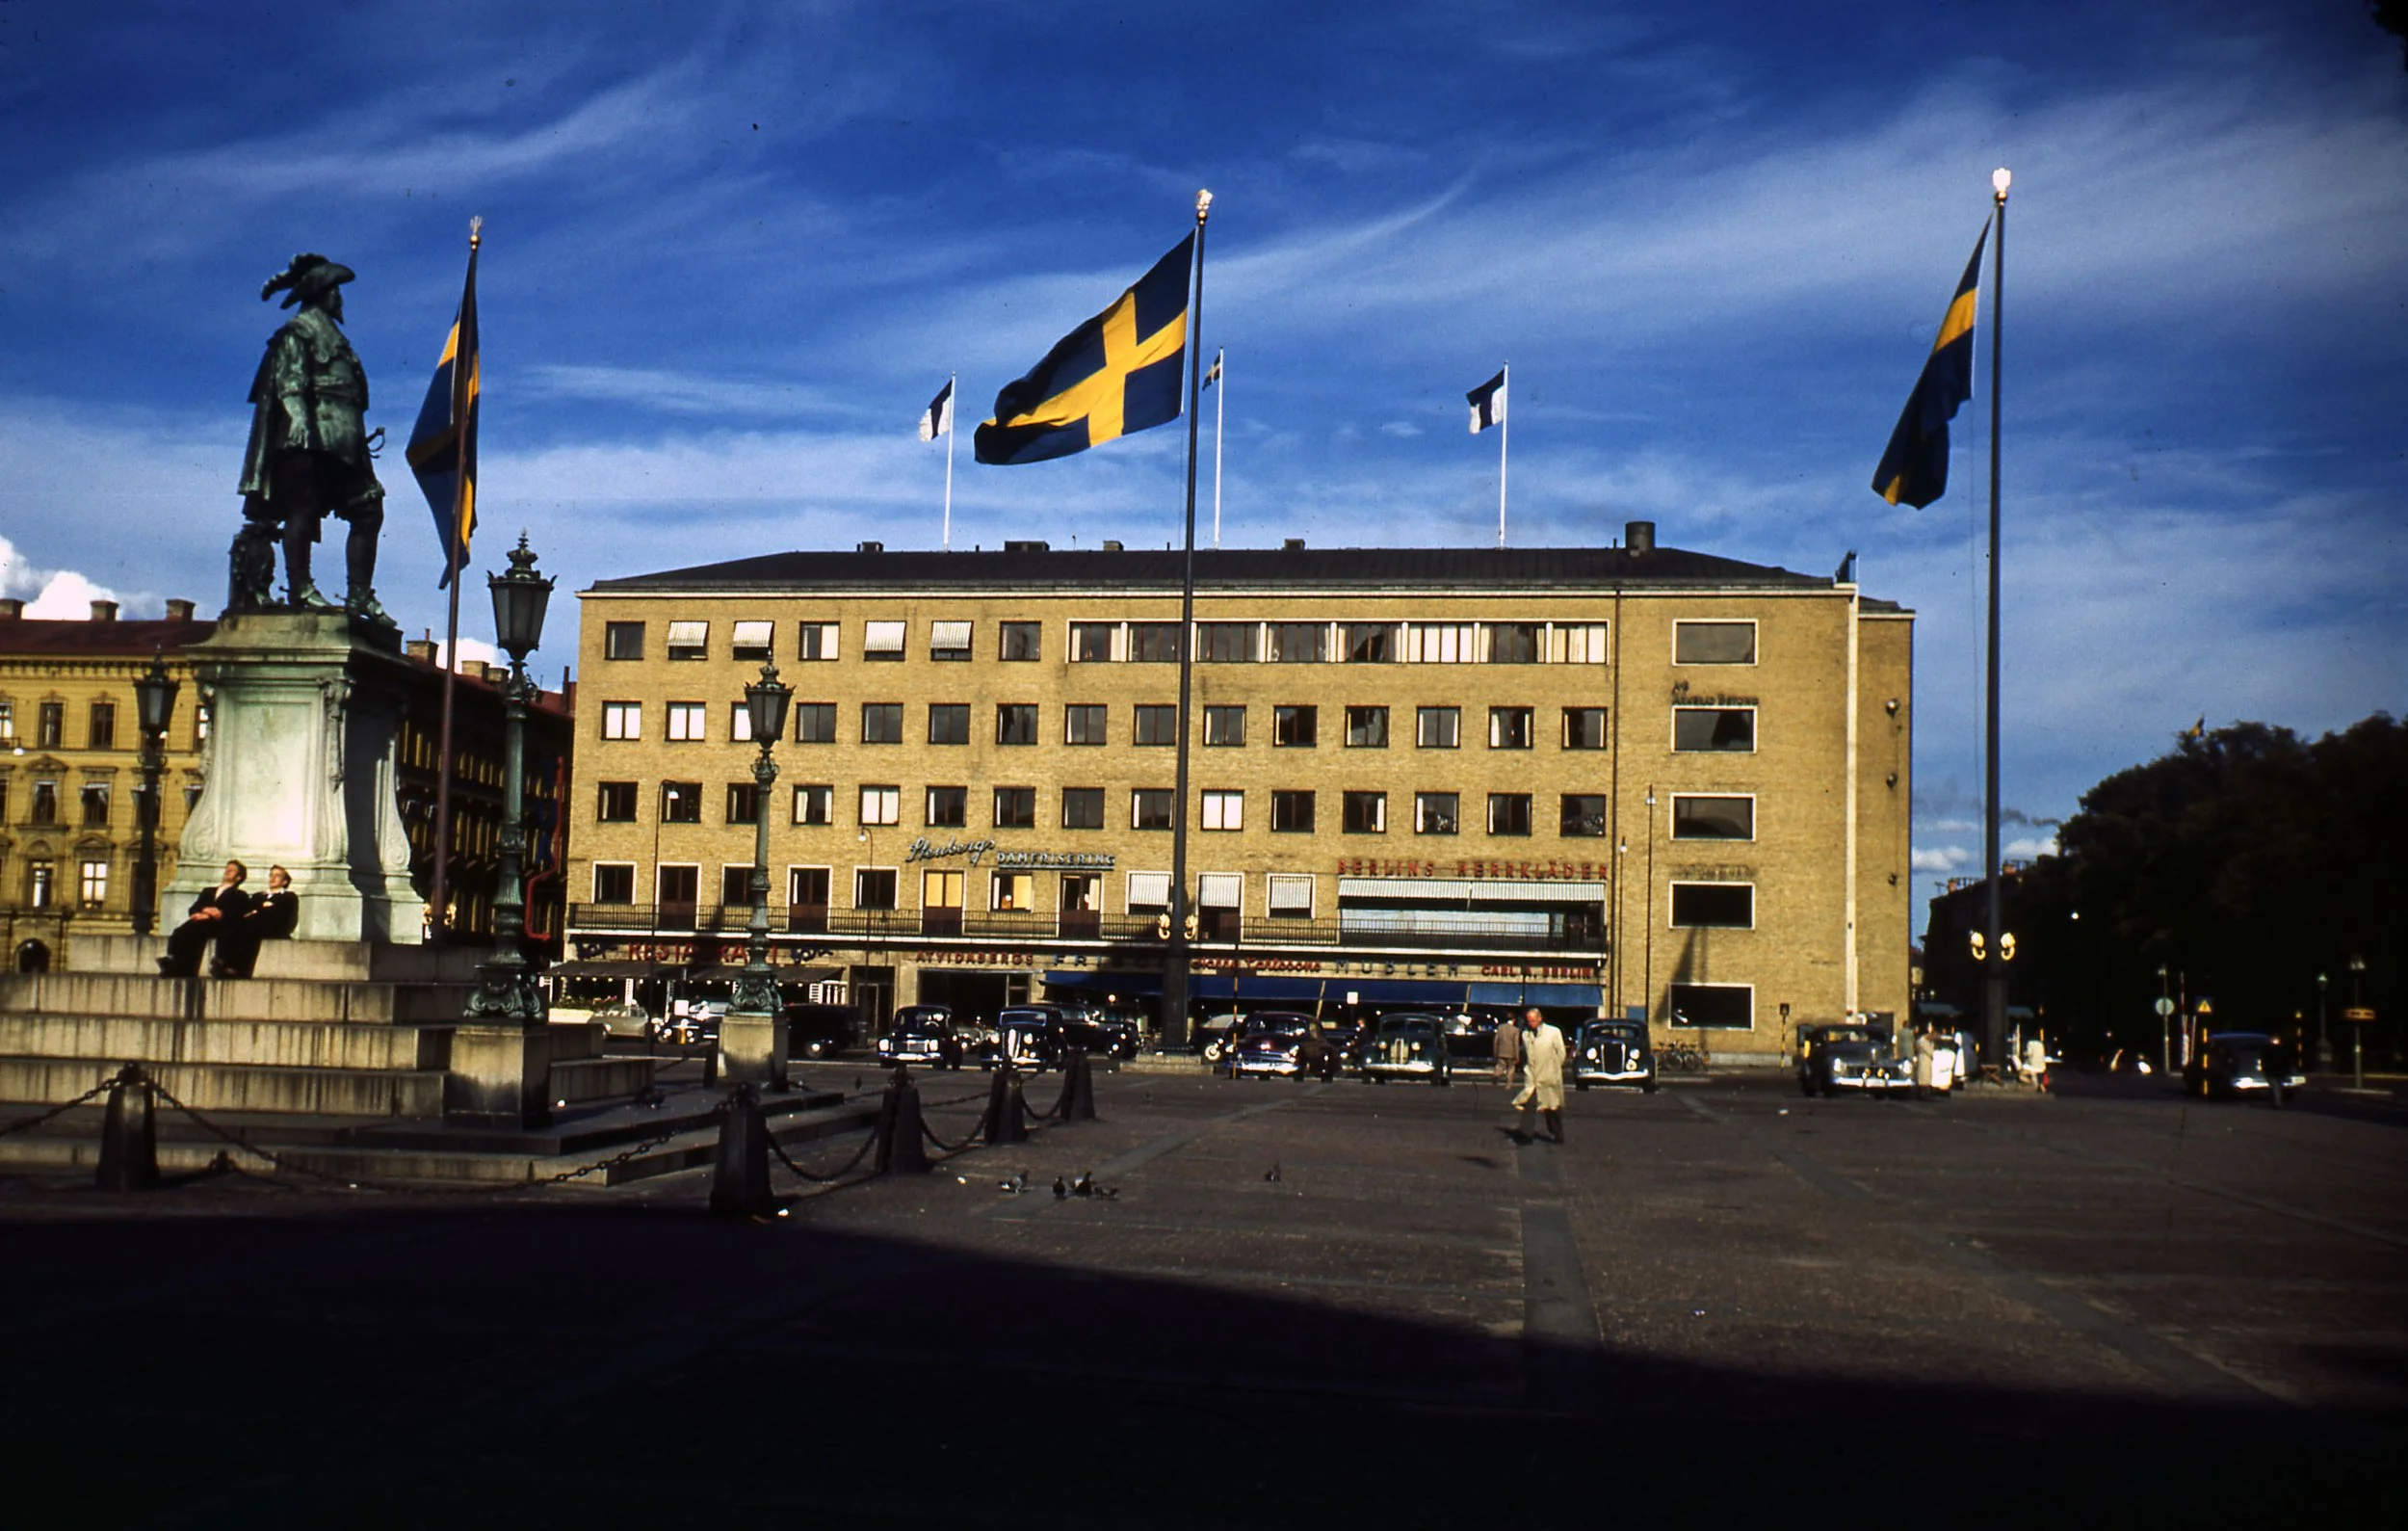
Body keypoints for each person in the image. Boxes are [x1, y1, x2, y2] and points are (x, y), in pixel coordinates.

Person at [235, 252, 390, 620]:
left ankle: (358, 595)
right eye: (334, 290)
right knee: (301, 508)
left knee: (368, 509)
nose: (339, 297)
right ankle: (300, 587)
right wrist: (301, 423)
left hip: (344, 440)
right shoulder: (298, 331)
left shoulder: (336, 336)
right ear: (319, 292)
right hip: (308, 438)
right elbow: (290, 383)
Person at [158, 860, 250, 976]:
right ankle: (173, 960)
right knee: (180, 932)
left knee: (200, 930)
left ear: (238, 877)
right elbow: (194, 908)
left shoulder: (240, 894)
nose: (227, 871)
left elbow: (237, 912)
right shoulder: (208, 891)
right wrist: (201, 912)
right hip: (201, 922)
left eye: (232, 870)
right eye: (227, 868)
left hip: (219, 924)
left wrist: (220, 913)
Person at [211, 864, 299, 978]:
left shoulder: (288, 896)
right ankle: (222, 962)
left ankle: (234, 968)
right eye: (271, 875)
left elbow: (282, 915)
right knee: (234, 925)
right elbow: (247, 911)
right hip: (253, 926)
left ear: (285, 881)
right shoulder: (258, 896)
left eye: (277, 876)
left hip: (274, 928)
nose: (273, 878)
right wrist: (263, 909)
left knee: (248, 928)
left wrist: (259, 911)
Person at [1511, 1007, 1567, 1144]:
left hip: (1549, 1076)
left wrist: (1554, 1069)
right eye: (1529, 1021)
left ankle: (1557, 1133)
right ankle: (1525, 1134)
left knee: (1551, 1108)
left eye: (1534, 1020)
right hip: (1533, 1076)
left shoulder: (1553, 1032)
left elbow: (1561, 1053)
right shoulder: (1525, 1034)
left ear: (1540, 1019)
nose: (1531, 1023)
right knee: (1530, 1104)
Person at [1491, 1011, 1523, 1086]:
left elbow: (1496, 1041)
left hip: (1501, 1051)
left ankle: (1496, 1074)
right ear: (1514, 1020)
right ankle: (1508, 1083)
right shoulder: (1515, 1030)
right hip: (1511, 1052)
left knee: (1500, 1065)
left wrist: (1495, 1051)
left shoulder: (1500, 1027)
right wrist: (1517, 1055)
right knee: (1511, 1068)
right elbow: (1516, 1043)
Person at [1913, 1027, 1936, 1099]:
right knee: (1924, 1077)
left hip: (1923, 1059)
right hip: (1925, 1059)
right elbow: (1930, 1051)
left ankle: (1922, 1093)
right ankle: (1924, 1094)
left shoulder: (1920, 1041)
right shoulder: (1923, 1042)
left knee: (1923, 1076)